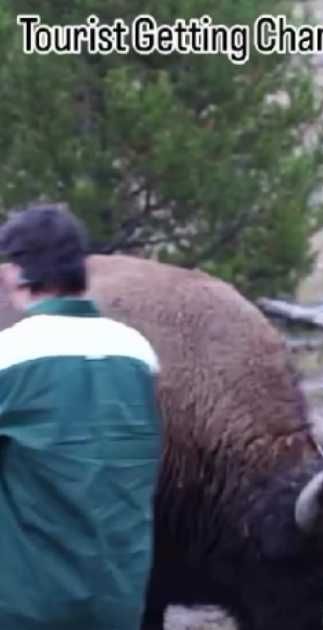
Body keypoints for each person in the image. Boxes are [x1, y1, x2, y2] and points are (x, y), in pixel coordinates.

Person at [0, 204, 163, 629]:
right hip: (119, 601)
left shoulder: (8, 356)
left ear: (17, 273)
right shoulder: (138, 353)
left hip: (26, 607)